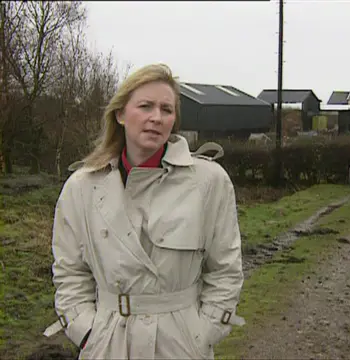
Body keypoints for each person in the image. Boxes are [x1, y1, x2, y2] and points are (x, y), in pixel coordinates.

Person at [43, 63, 245, 360]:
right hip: (107, 342)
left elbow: (226, 269)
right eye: (146, 106)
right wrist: (85, 331)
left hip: (180, 343)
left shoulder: (208, 181)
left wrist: (203, 333)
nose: (156, 118)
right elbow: (69, 270)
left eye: (166, 109)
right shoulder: (82, 186)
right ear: (121, 114)